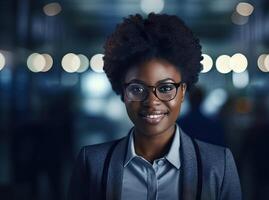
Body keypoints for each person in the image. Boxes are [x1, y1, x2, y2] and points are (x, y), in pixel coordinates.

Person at [68, 13, 242, 200]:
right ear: (123, 91)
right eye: (137, 88)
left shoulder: (219, 165)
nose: (151, 101)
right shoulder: (92, 163)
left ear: (183, 91)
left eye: (166, 87)